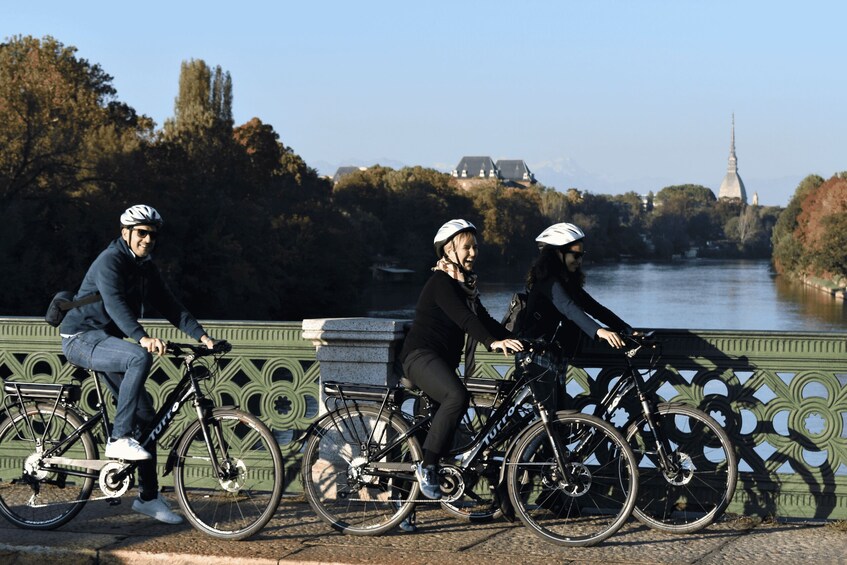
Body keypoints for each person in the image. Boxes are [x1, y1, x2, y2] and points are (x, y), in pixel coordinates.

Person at [60, 204, 217, 525]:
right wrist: (142, 337)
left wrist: (203, 337)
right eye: (141, 233)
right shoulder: (110, 260)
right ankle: (119, 439)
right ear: (125, 233)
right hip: (81, 337)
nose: (147, 239)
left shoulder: (145, 266)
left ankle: (147, 498)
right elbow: (115, 304)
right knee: (138, 355)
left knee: (147, 417)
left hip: (107, 342)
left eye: (152, 235)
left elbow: (171, 305)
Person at [400, 219, 523, 501]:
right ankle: (427, 467)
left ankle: (403, 499)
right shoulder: (441, 283)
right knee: (457, 397)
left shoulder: (465, 287)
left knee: (429, 430)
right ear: (448, 250)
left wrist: (517, 340)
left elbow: (484, 319)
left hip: (440, 361)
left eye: (475, 247)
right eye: (466, 247)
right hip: (420, 356)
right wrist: (492, 343)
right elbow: (465, 319)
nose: (473, 253)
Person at [520, 222, 633, 412]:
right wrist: (599, 331)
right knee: (546, 420)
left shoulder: (566, 282)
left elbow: (595, 308)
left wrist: (625, 328)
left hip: (554, 354)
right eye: (576, 255)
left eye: (582, 255)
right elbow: (569, 308)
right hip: (535, 353)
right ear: (557, 253)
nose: (580, 260)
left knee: (557, 417)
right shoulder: (547, 281)